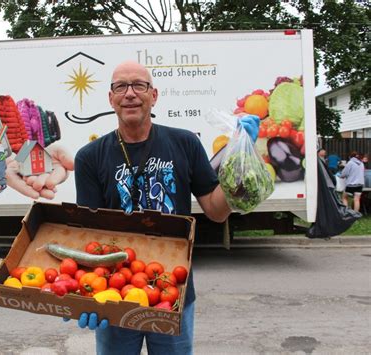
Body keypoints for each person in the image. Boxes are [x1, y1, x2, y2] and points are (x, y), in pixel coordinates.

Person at [72, 60, 260, 355]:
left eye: (139, 85)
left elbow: (216, 210)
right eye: (121, 86)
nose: (130, 93)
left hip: (174, 287)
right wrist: (84, 292)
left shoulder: (184, 143)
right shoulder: (90, 157)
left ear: (154, 95)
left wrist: (240, 160)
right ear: (111, 98)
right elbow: (90, 236)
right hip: (116, 287)